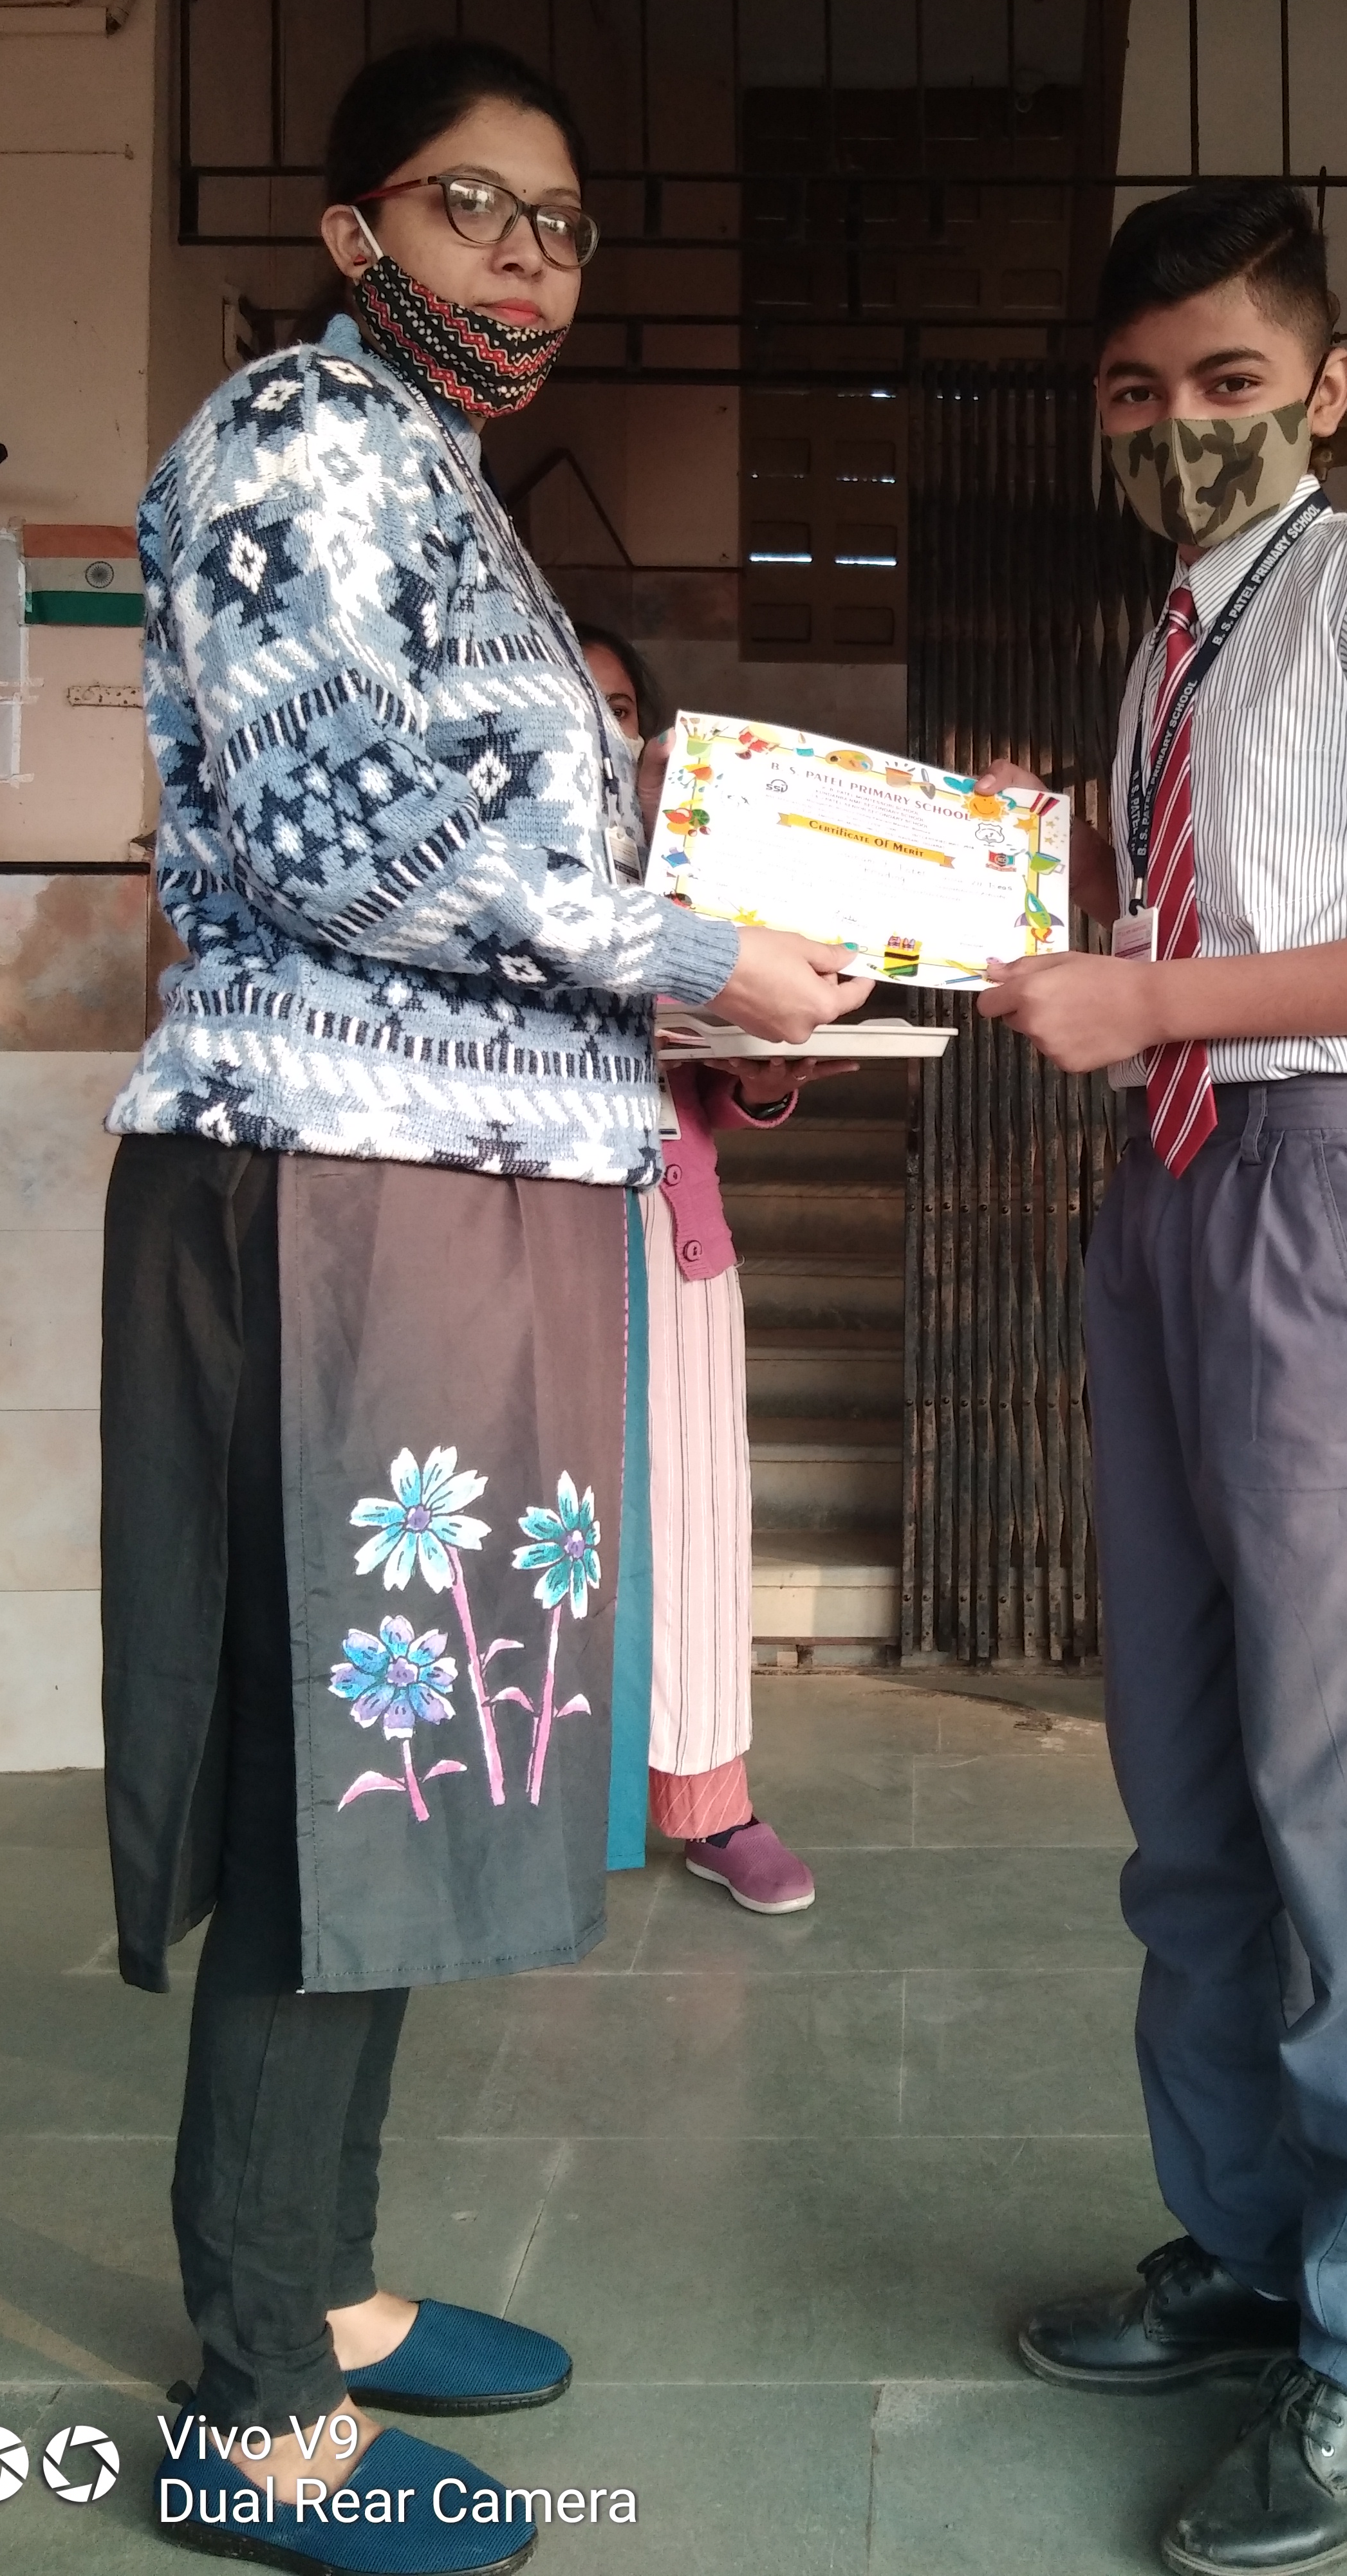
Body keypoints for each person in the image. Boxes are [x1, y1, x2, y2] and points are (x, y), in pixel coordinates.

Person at [102, 35, 866, 2571]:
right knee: (339, 1771)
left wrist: (690, 1000)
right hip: (343, 1181)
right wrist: (691, 946)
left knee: (407, 1762)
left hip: (459, 1176)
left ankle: (318, 2283)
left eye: (557, 223)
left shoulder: (433, 480)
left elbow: (492, 877)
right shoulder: (307, 442)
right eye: (469, 207)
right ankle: (252, 2401)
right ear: (353, 232)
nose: (524, 261)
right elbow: (344, 835)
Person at [979, 181, 1347, 2576]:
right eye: (1135, 391)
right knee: (1189, 1786)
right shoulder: (1168, 648)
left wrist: (1157, 997)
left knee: (1346, 1802)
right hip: (1172, 1196)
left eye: (1227, 381)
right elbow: (1206, 928)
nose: (1179, 425)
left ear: (1324, 386)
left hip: (1333, 1190)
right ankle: (1245, 2243)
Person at [571, 626, 826, 1914]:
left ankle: (712, 1804)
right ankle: (536, 1792)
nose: (607, 730)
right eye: (582, 705)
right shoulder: (504, 874)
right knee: (535, 1523)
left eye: (624, 708)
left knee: (694, 1526)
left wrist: (769, 1065)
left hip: (669, 1239)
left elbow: (735, 1092)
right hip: (525, 1238)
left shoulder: (694, 885)